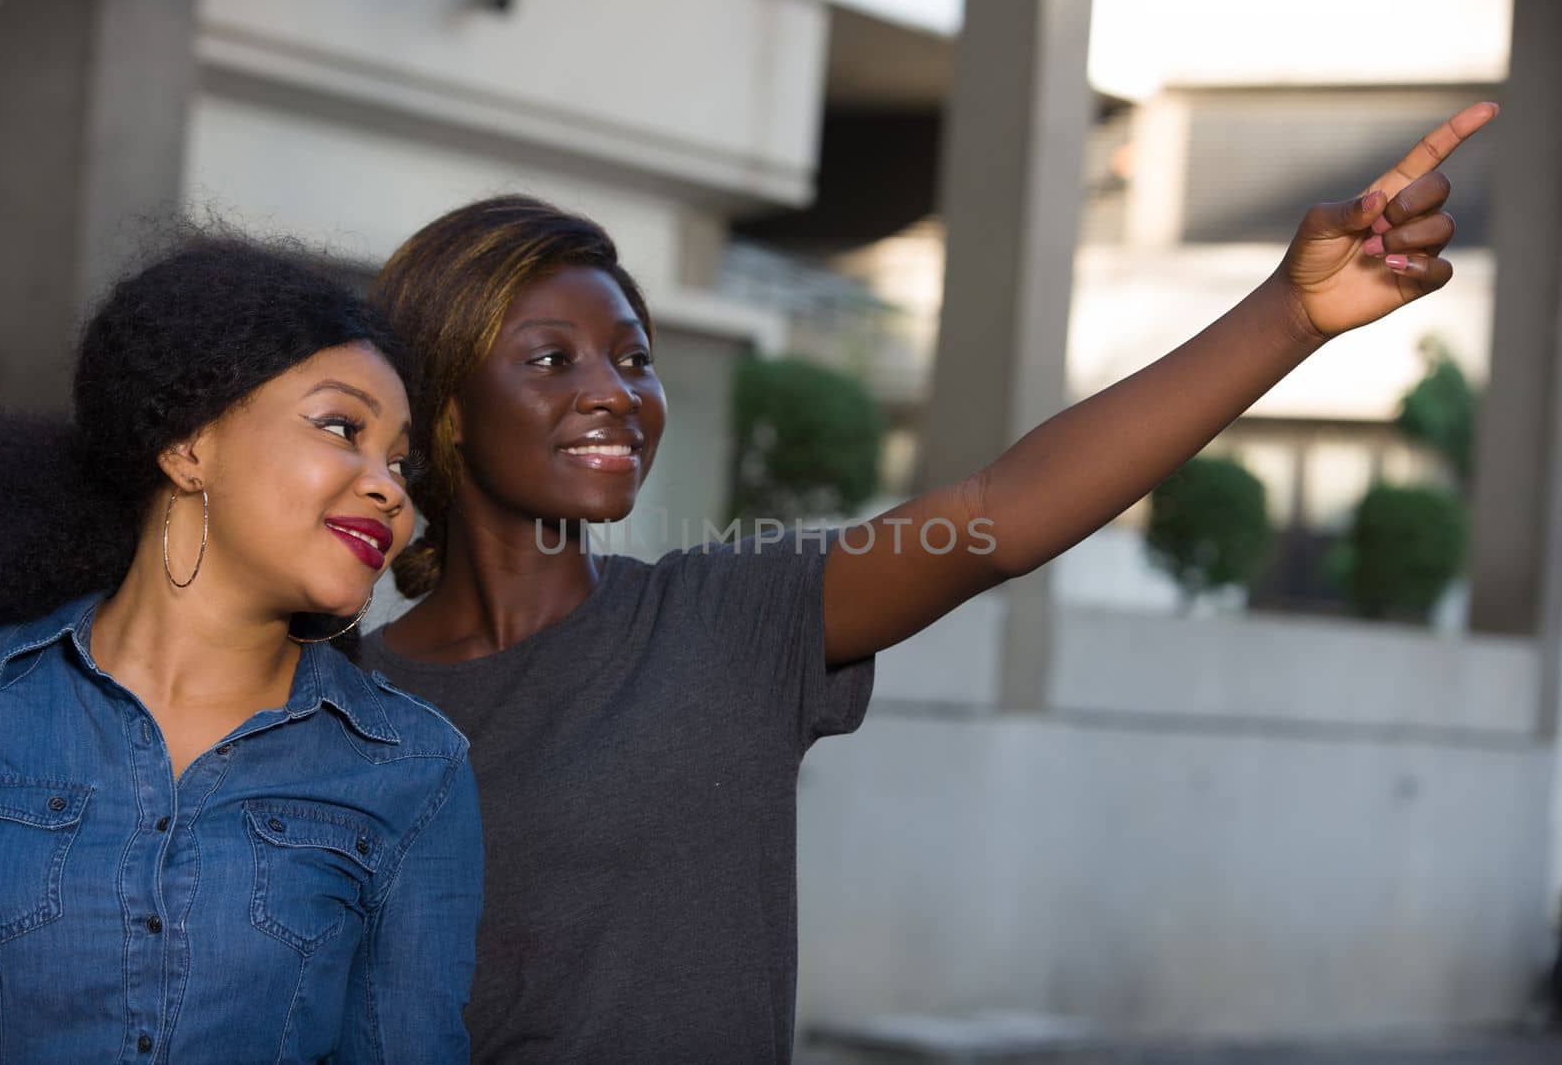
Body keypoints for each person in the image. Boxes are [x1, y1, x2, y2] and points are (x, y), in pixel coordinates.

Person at [357, 103, 1496, 1062]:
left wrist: (1289, 314)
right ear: (445, 405)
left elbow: (996, 518)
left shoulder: (723, 619)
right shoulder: (332, 700)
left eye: (635, 357)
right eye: (553, 359)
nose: (614, 390)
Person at [0, 236, 482, 1062]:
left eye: (401, 464)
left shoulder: (413, 767)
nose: (389, 489)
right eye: (341, 426)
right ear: (188, 445)